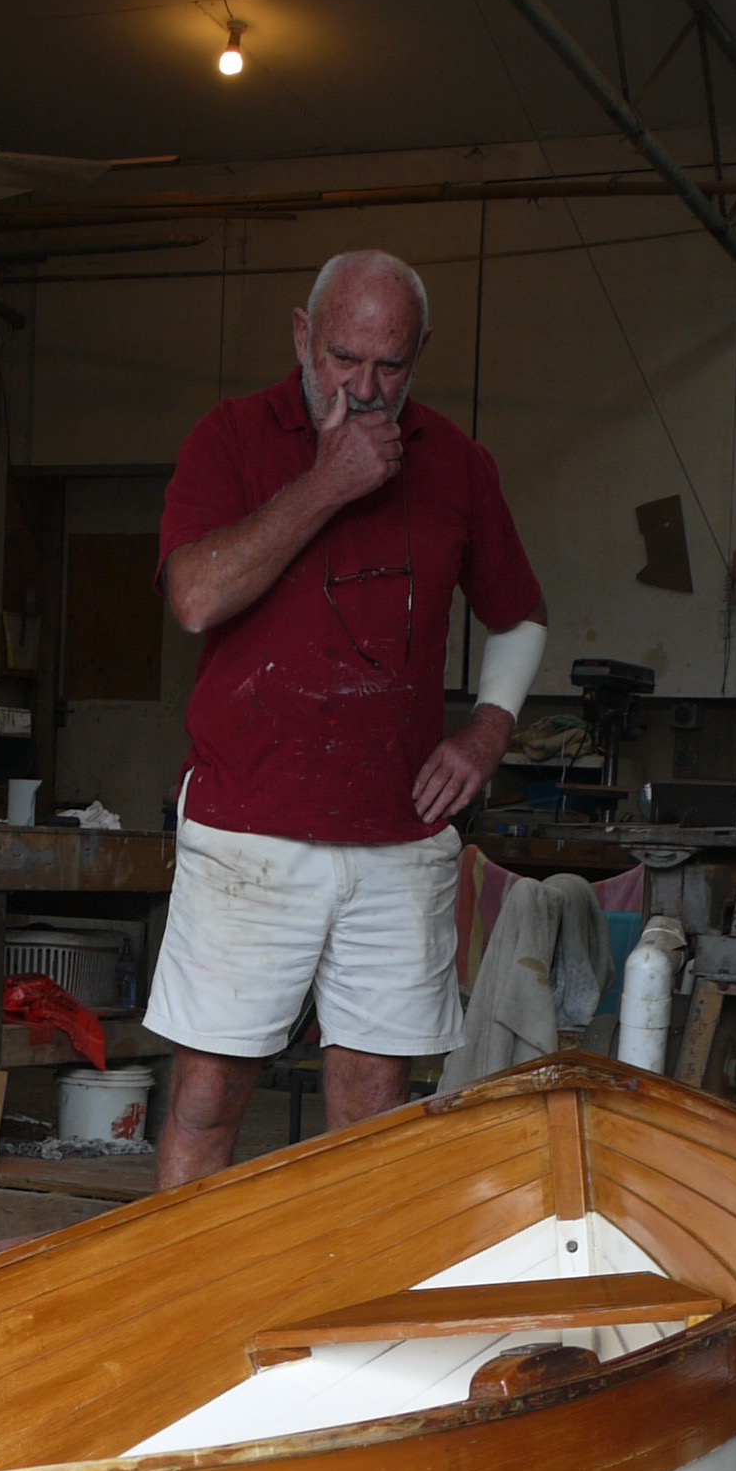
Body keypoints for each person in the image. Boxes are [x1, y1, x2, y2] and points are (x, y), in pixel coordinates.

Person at [143, 249, 551, 1186]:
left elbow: (520, 613)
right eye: (343, 360)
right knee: (208, 1098)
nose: (365, 389)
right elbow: (195, 597)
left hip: (398, 838)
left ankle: (350, 1285)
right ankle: (189, 1282)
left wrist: (487, 731)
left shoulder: (457, 462)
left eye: (390, 366)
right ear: (302, 336)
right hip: (249, 828)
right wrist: (329, 481)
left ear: (422, 354)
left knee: (374, 1111)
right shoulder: (232, 437)